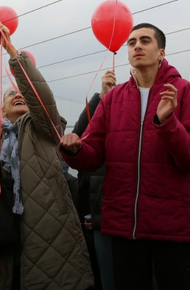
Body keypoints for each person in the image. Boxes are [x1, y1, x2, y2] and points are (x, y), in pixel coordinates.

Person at [61, 23, 190, 290]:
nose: (137, 46)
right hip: (123, 228)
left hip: (172, 229)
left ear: (161, 52)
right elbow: (93, 155)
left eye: (145, 41)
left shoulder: (185, 93)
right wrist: (74, 149)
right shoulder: (113, 99)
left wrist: (169, 125)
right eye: (131, 43)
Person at [0, 22, 94, 290]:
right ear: (2, 110)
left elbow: (41, 96)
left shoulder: (43, 128)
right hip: (5, 233)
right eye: (11, 95)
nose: (17, 95)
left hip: (47, 229)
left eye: (21, 94)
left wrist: (10, 51)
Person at [71, 70, 116, 290]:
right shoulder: (92, 134)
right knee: (95, 273)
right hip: (90, 210)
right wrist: (101, 96)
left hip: (115, 216)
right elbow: (80, 134)